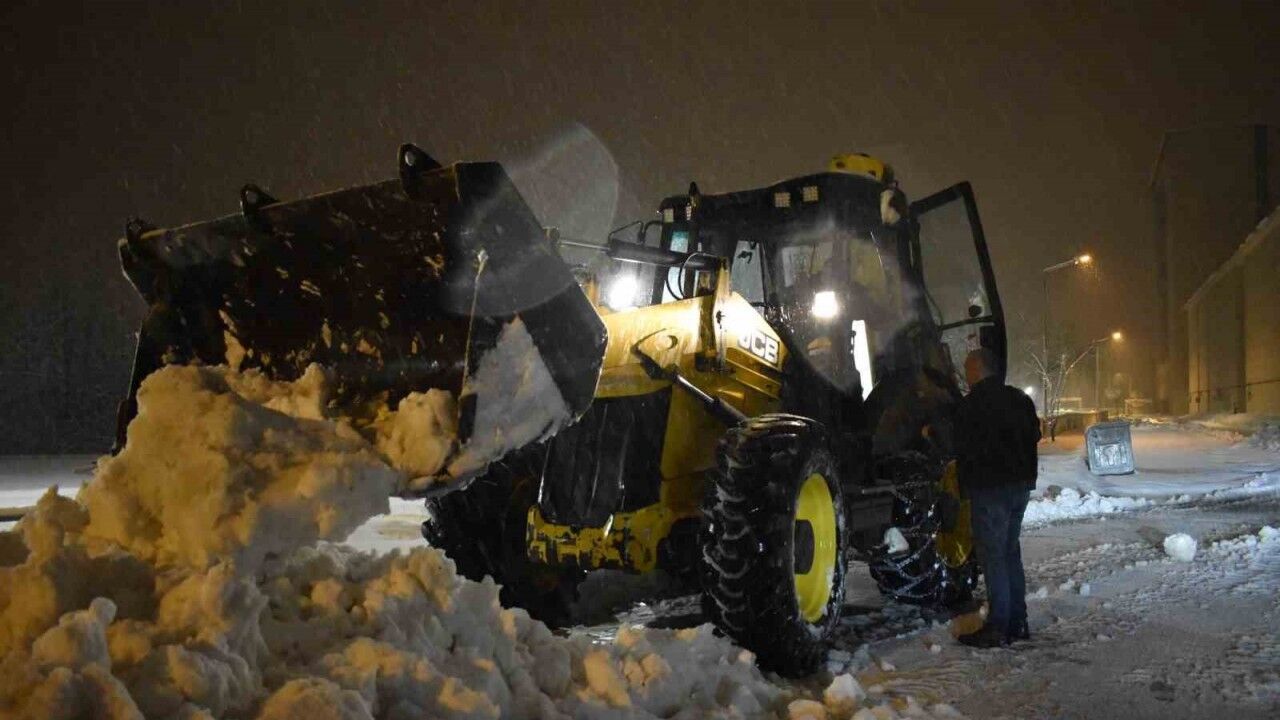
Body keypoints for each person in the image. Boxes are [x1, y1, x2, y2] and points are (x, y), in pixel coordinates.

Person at [954, 348, 1041, 648]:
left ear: (979, 369)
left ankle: (998, 626)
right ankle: (1018, 621)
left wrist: (930, 433)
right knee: (1009, 552)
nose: (965, 374)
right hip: (1020, 488)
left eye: (967, 368)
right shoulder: (1020, 399)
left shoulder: (971, 405)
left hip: (990, 490)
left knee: (993, 557)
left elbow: (954, 443)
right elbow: (1035, 434)